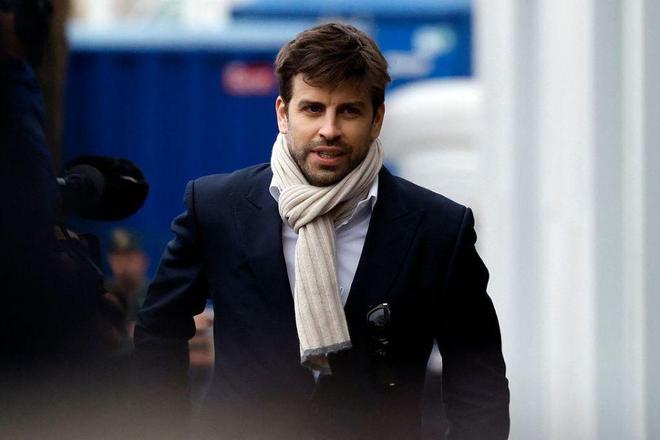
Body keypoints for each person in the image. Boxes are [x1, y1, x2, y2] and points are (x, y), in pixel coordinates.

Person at [135, 22, 510, 440]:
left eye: (348, 110)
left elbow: (479, 380)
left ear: (376, 118)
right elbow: (158, 331)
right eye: (313, 108)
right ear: (283, 113)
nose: (329, 129)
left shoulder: (438, 228)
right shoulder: (217, 208)